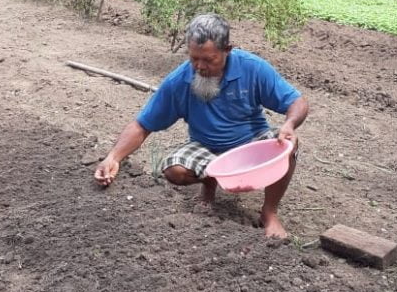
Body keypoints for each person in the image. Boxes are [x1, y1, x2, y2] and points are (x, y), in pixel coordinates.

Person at [95, 13, 309, 238]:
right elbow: (142, 125)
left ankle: (269, 213)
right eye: (194, 58)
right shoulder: (179, 81)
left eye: (208, 59)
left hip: (251, 144)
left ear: (227, 49)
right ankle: (210, 182)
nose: (200, 66)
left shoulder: (252, 68)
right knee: (174, 170)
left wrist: (290, 124)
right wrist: (113, 157)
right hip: (207, 147)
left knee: (288, 145)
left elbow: (297, 102)